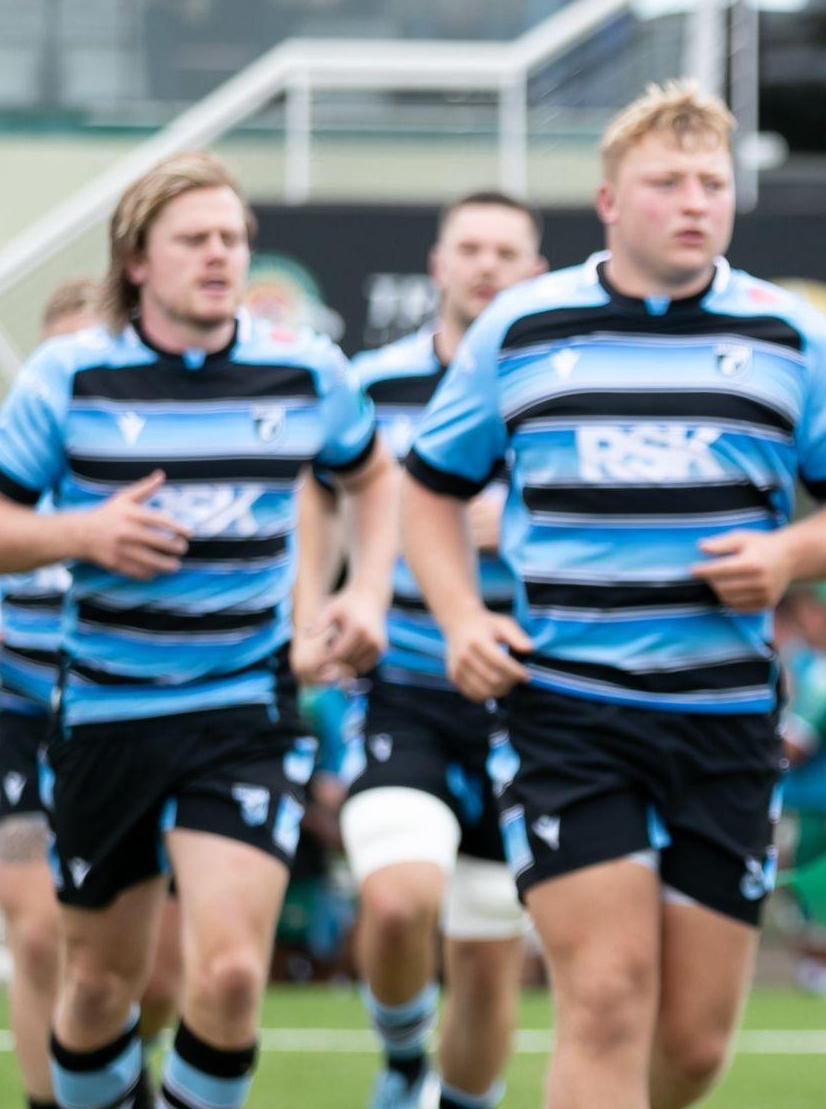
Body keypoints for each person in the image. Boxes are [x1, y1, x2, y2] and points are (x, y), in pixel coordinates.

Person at [399, 81, 826, 1109]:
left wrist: (787, 556)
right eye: (665, 182)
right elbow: (426, 488)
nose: (692, 201)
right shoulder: (525, 329)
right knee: (605, 999)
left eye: (711, 182)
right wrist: (459, 618)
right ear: (606, 202)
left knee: (689, 1048)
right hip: (567, 714)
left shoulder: (789, 336)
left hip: (725, 723)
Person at [0, 150, 398, 1109]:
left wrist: (365, 598)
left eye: (233, 237)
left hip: (244, 708)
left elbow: (370, 474)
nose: (220, 255)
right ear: (137, 261)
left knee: (231, 975)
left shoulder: (306, 370)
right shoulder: (70, 378)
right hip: (105, 714)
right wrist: (82, 531)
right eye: (194, 239)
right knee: (105, 985)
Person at [298, 192, 546, 1109]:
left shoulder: (562, 385)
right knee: (399, 900)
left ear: (536, 271)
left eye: (507, 251)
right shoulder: (369, 382)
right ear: (437, 266)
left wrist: (511, 525)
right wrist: (322, 604)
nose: (486, 265)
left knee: (487, 965)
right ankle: (404, 1057)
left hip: (531, 696)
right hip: (404, 682)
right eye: (470, 248)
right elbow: (321, 492)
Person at [0, 279, 178, 1109]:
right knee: (39, 937)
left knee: (161, 975)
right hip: (33, 718)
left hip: (148, 723)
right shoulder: (0, 458)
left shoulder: (171, 453)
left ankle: (109, 1080)